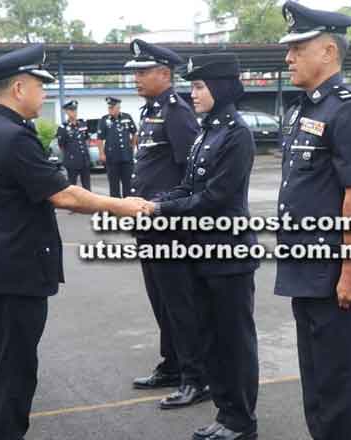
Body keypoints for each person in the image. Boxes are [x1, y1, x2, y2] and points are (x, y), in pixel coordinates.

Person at [0, 44, 148, 440]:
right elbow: (63, 194)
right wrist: (121, 205)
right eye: (40, 85)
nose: (45, 93)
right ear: (18, 88)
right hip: (15, 274)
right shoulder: (11, 137)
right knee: (13, 372)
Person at [273, 3, 351, 440]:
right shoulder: (305, 110)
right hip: (305, 264)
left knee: (338, 379)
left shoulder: (347, 111)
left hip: (335, 270)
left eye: (298, 47)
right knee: (316, 378)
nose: (289, 57)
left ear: (329, 51)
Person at [145, 52, 260, 440]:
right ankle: (226, 415)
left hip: (228, 252)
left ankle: (242, 421)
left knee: (234, 342)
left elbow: (214, 197)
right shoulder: (208, 130)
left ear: (221, 87)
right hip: (202, 250)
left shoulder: (235, 133)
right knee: (210, 338)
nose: (193, 93)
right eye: (192, 86)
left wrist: (162, 208)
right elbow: (189, 186)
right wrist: (155, 202)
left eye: (198, 86)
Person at [124, 39, 207, 407]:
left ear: (164, 74)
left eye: (143, 72)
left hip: (170, 226)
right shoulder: (149, 111)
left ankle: (196, 377)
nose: (136, 79)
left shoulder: (177, 111)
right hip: (148, 224)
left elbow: (191, 173)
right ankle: (172, 363)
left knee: (179, 302)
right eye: (135, 72)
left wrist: (165, 209)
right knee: (160, 299)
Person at [98, 97, 137, 197]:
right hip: (112, 158)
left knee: (128, 183)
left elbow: (134, 133)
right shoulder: (104, 120)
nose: (110, 110)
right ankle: (116, 207)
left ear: (118, 108)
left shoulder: (127, 117)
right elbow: (100, 139)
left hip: (126, 157)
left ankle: (128, 205)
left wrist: (132, 146)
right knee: (113, 184)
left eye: (112, 108)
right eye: (109, 108)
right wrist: (101, 153)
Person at [57, 99, 92, 190]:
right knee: (72, 186)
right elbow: (61, 145)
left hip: (84, 160)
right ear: (66, 112)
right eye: (71, 110)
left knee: (87, 186)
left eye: (75, 110)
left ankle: (88, 204)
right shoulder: (63, 127)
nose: (74, 112)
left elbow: (87, 139)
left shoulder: (82, 123)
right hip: (72, 161)